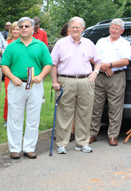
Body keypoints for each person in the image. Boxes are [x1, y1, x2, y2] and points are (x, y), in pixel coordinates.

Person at [1, 17, 52, 159]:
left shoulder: (40, 45)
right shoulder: (11, 46)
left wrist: (41, 76)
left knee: (33, 118)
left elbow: (48, 64)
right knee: (14, 118)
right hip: (17, 84)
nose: (23, 28)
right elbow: (4, 65)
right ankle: (14, 148)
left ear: (32, 28)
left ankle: (29, 147)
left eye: (26, 26)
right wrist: (12, 77)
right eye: (21, 26)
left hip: (35, 85)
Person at [51, 16, 102, 154]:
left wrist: (95, 72)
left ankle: (82, 143)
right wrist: (55, 82)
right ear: (69, 28)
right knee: (64, 114)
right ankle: (62, 144)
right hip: (66, 81)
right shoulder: (61, 44)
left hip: (86, 81)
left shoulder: (89, 43)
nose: (75, 29)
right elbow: (53, 64)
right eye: (72, 27)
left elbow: (98, 61)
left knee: (85, 113)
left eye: (77, 27)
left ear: (82, 29)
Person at [90, 18, 131, 146]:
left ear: (122, 31)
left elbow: (126, 61)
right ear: (109, 28)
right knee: (95, 107)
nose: (113, 30)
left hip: (116, 76)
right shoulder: (101, 42)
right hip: (100, 76)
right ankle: (92, 133)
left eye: (117, 28)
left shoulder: (124, 44)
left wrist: (110, 65)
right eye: (112, 28)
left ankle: (113, 135)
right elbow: (92, 57)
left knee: (115, 108)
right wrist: (103, 66)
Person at [3, 21, 19, 127]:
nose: (16, 31)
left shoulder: (23, 42)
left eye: (18, 29)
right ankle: (6, 119)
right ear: (11, 30)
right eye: (14, 29)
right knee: (8, 96)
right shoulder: (6, 42)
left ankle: (16, 118)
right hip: (9, 73)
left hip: (20, 73)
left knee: (19, 97)